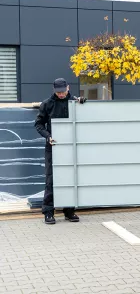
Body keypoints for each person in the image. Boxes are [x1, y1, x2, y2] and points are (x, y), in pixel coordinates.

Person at [35, 78, 86, 224]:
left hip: (71, 146)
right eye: (59, 92)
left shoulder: (75, 102)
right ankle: (48, 212)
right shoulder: (47, 104)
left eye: (63, 92)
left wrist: (84, 103)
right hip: (53, 145)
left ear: (68, 88)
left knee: (71, 177)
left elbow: (85, 117)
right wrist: (48, 137)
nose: (62, 94)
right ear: (54, 90)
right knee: (51, 178)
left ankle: (69, 211)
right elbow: (38, 124)